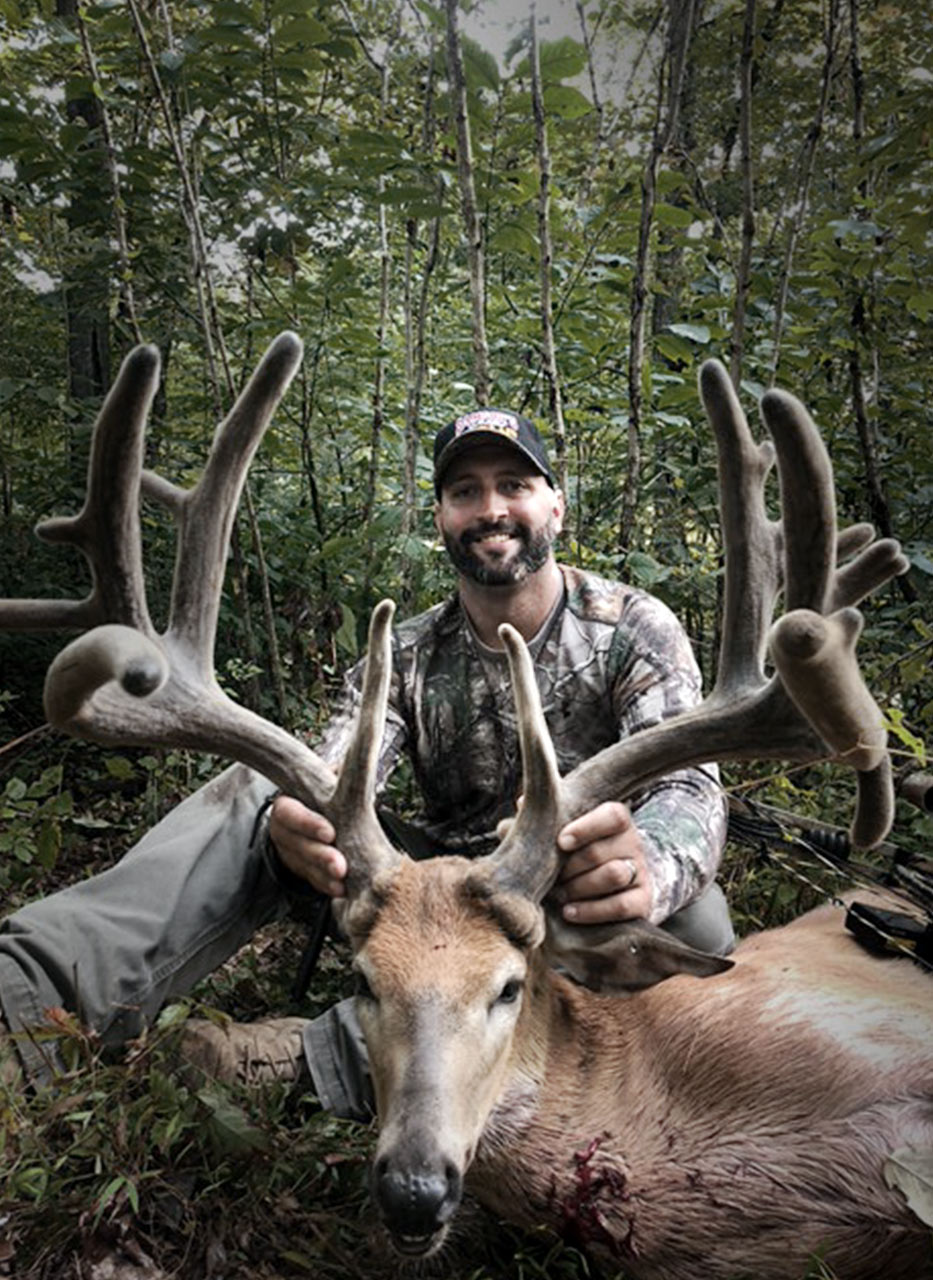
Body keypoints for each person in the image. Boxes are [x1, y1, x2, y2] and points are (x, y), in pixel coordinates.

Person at [0, 407, 731, 1109]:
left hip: (560, 895)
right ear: (442, 517)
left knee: (693, 935)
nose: (491, 508)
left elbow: (689, 787)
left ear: (555, 508)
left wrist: (646, 869)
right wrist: (300, 822)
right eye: (464, 491)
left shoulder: (633, 628)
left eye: (514, 485)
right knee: (258, 789)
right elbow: (337, 768)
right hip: (428, 903)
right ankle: (28, 1003)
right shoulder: (409, 651)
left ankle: (315, 1060)